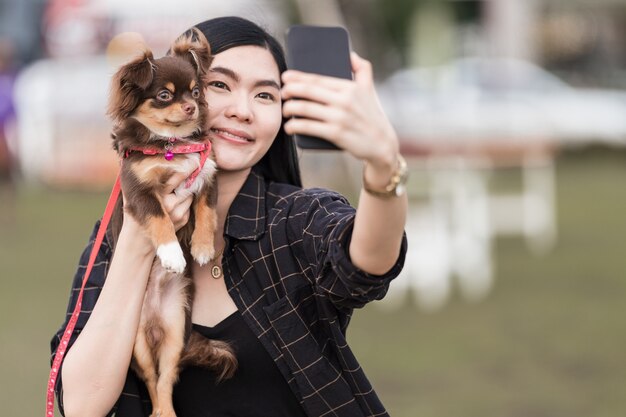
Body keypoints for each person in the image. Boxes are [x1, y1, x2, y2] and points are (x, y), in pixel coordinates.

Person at [51, 16, 408, 417]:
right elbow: (81, 405)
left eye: (266, 96)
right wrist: (138, 241)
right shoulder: (111, 239)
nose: (243, 111)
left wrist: (382, 166)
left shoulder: (295, 218)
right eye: (218, 86)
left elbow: (368, 265)